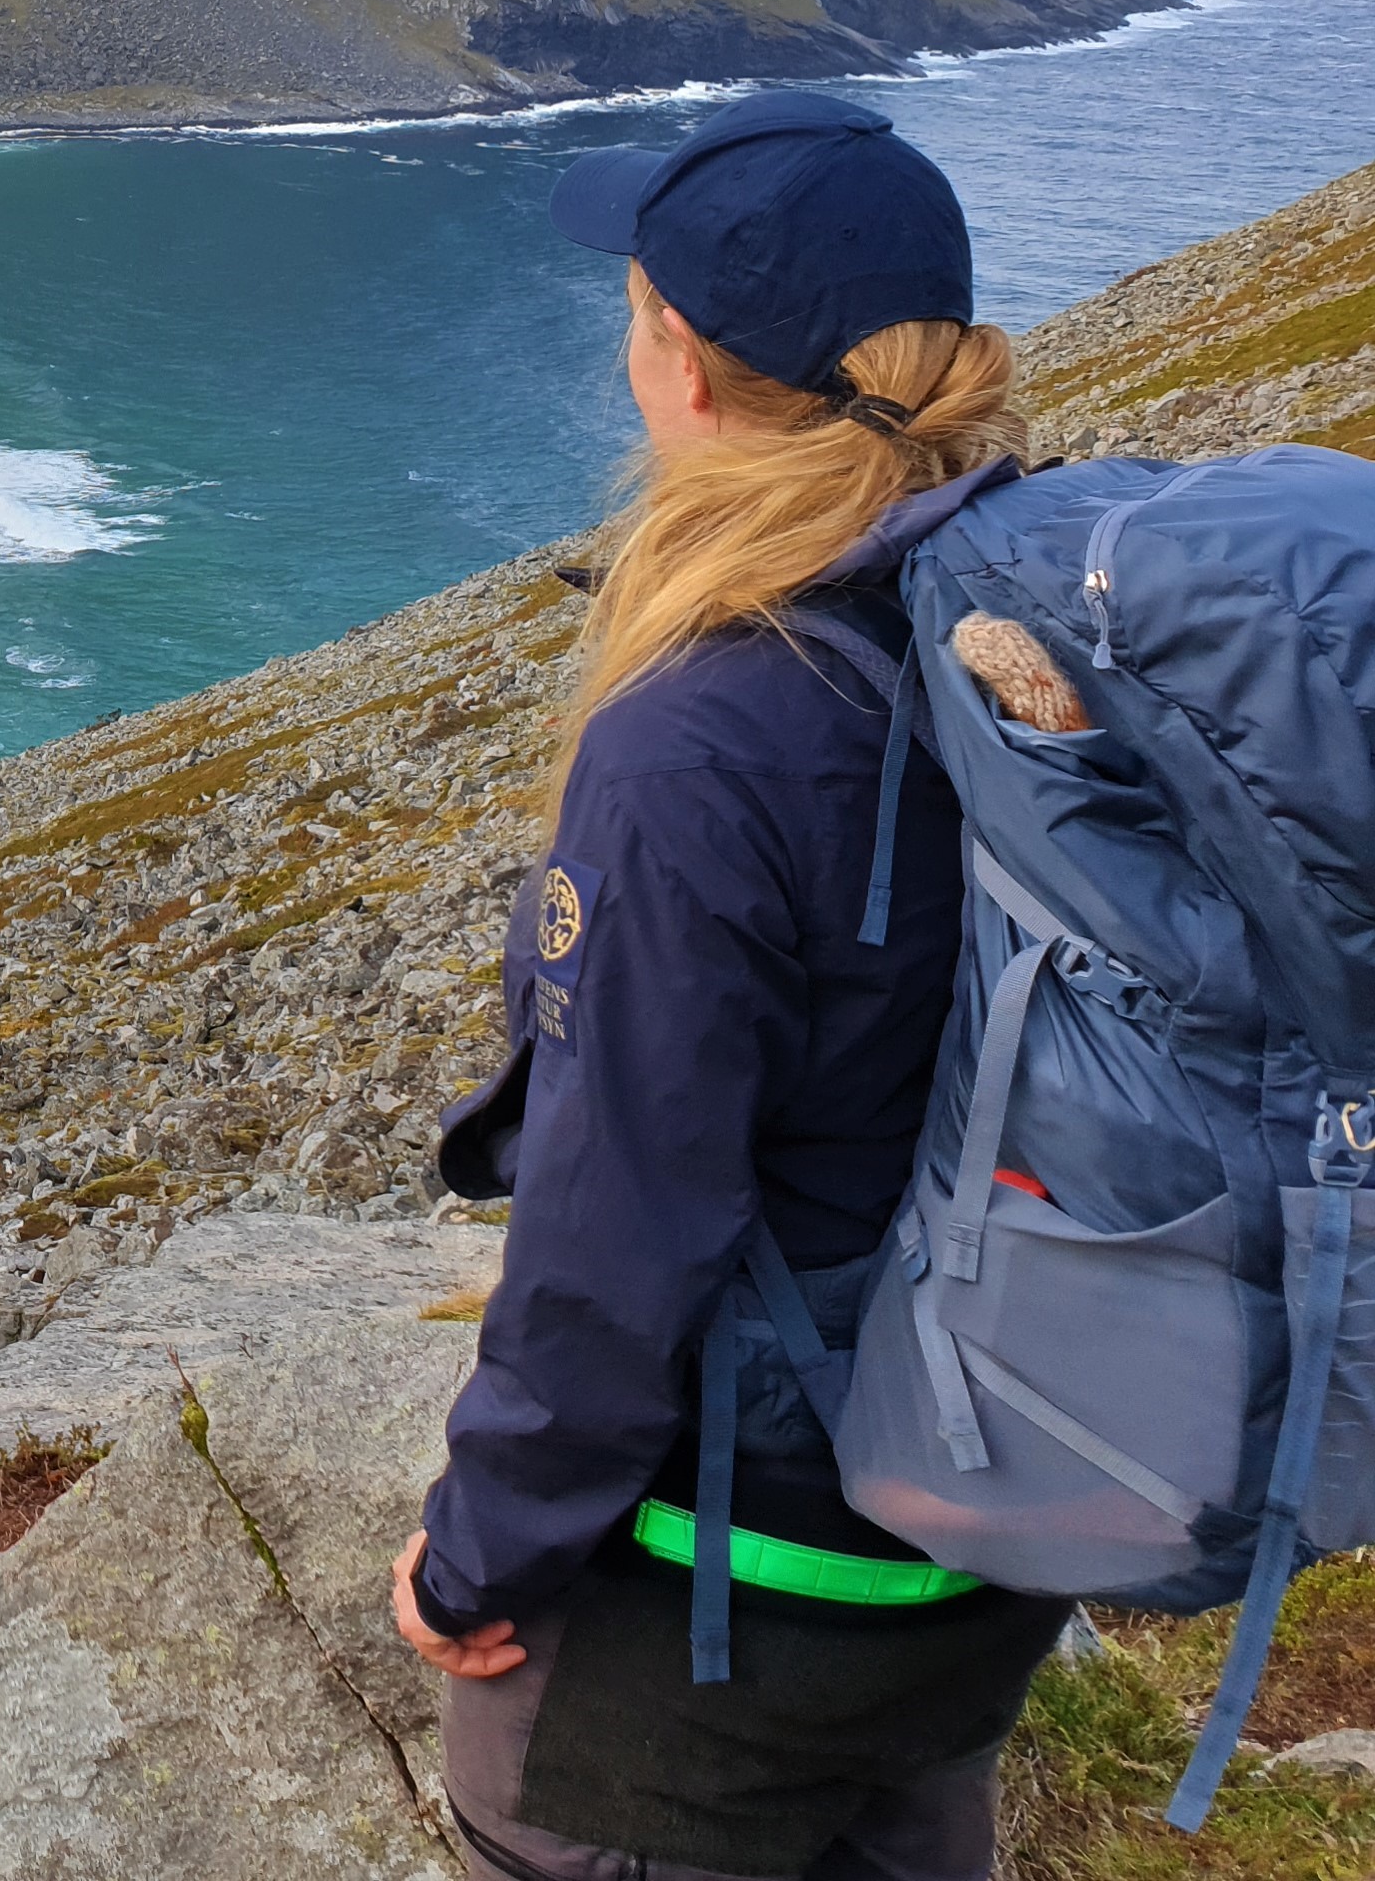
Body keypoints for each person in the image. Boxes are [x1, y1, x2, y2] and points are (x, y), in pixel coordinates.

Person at [387, 96, 1073, 1881]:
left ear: (681, 365)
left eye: (635, 314)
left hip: (742, 1575)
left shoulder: (702, 738)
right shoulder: (1041, 617)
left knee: (524, 1796)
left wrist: (478, 1556)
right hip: (994, 1513)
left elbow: (622, 1229)